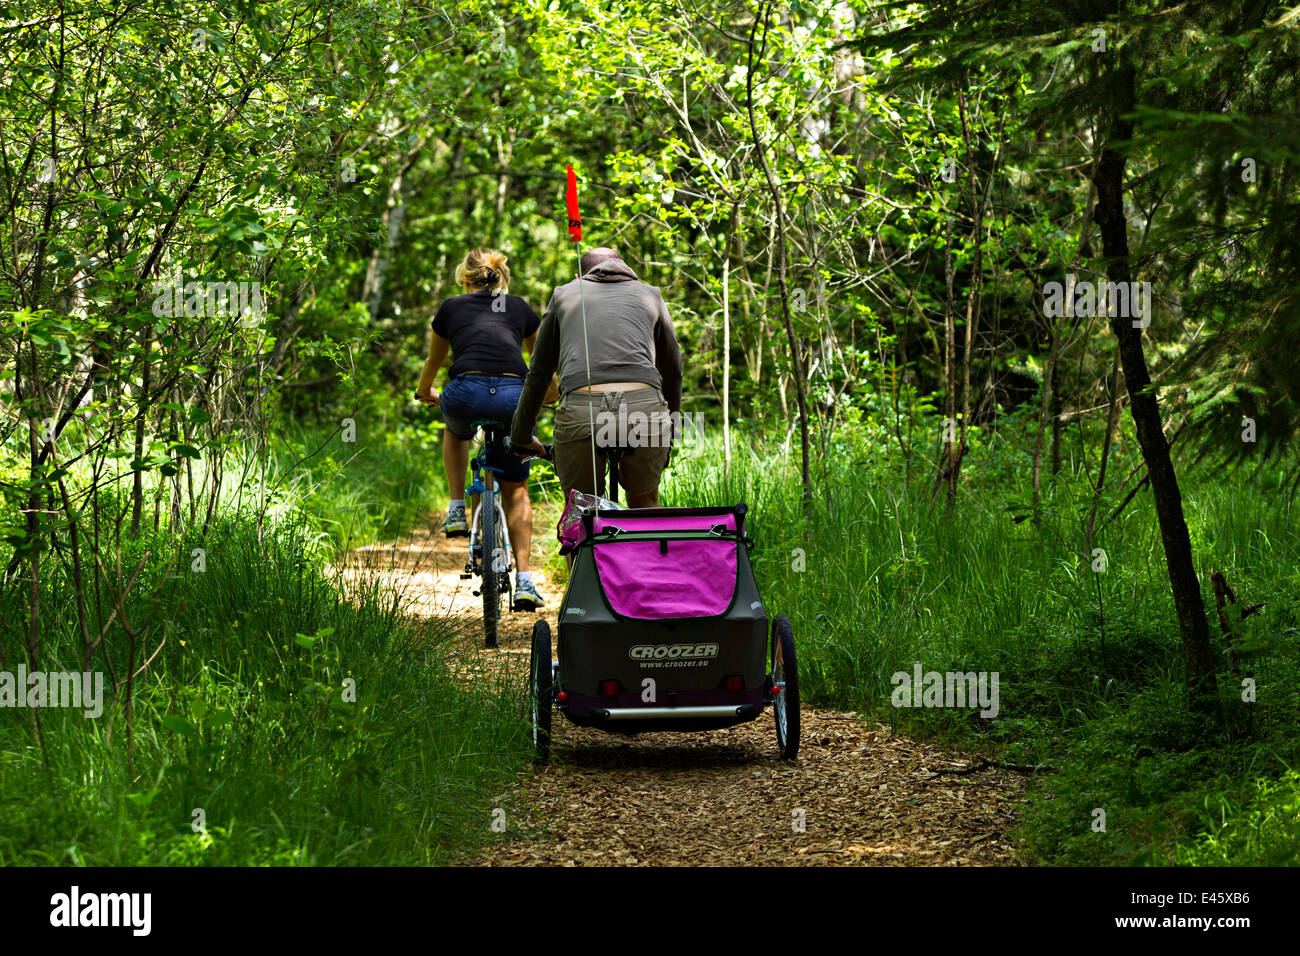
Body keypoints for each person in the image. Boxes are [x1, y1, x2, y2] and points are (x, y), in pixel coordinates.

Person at [415, 248, 545, 609]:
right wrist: (548, 397)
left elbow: (435, 360)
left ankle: (457, 506)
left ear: (464, 277)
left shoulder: (451, 307)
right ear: (501, 276)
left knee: (455, 431)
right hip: (512, 398)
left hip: (465, 393)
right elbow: (541, 363)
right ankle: (524, 580)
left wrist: (425, 391)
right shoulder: (518, 307)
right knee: (516, 486)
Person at [511, 247, 682, 508]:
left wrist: (521, 435)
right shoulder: (651, 294)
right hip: (644, 411)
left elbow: (540, 373)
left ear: (579, 277)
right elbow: (673, 369)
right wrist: (671, 431)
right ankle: (644, 542)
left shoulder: (564, 294)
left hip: (582, 411)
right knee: (645, 502)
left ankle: (586, 543)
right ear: (626, 268)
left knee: (583, 509)